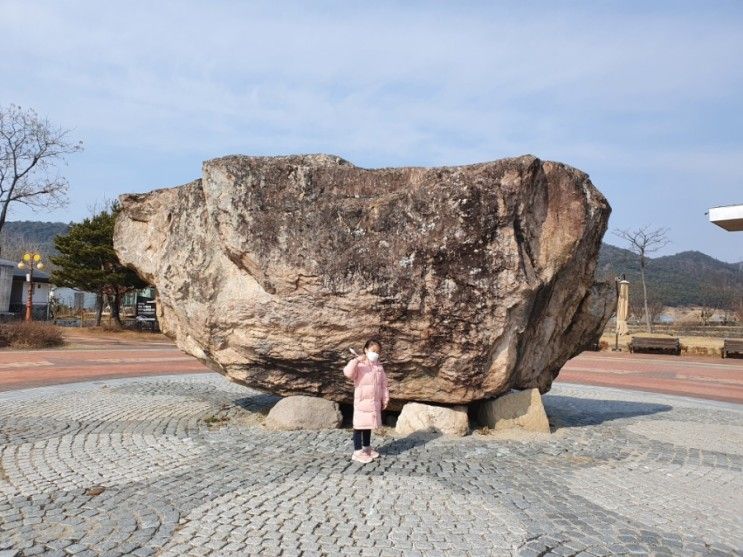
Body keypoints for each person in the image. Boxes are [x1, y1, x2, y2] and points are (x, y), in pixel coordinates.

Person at [343, 338, 390, 463]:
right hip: (362, 402)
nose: (375, 354)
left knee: (368, 425)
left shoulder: (379, 367)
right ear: (365, 350)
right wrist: (356, 360)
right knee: (359, 426)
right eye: (373, 350)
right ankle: (357, 452)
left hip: (373, 402)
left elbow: (384, 384)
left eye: (378, 352)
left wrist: (385, 398)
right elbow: (348, 373)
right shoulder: (359, 365)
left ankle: (367, 448)